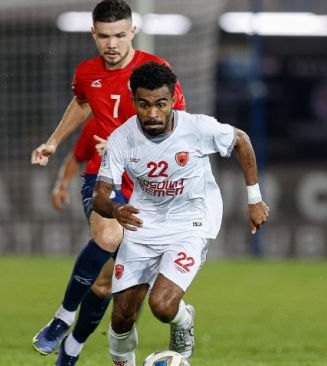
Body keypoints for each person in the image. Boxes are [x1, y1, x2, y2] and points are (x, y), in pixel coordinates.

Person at [30, 1, 186, 364]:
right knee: (108, 235)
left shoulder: (155, 72)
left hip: (148, 188)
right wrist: (53, 142)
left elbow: (177, 126)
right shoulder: (86, 72)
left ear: (132, 32)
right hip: (103, 177)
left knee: (105, 284)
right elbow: (82, 103)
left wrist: (128, 144)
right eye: (104, 36)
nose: (111, 44)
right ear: (94, 35)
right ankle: (62, 318)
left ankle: (71, 349)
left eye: (119, 35)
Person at [92, 61, 270, 365]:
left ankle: (183, 321)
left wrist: (254, 199)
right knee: (122, 317)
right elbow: (100, 196)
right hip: (141, 224)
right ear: (133, 100)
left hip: (190, 223)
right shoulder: (122, 139)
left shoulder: (198, 128)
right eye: (144, 104)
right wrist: (114, 208)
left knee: (161, 306)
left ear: (173, 99)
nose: (152, 113)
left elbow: (241, 141)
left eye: (160, 104)